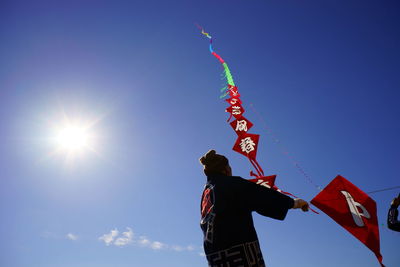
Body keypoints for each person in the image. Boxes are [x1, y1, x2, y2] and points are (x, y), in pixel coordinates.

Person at [199, 149, 309, 267]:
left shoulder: (206, 193)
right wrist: (294, 203)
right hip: (239, 253)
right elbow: (262, 196)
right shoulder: (231, 184)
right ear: (225, 169)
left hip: (215, 258)